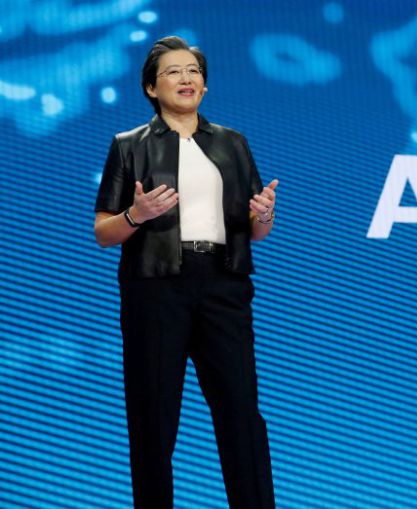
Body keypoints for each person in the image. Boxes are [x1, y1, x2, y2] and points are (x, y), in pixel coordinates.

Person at [93, 36, 276, 508]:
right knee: (154, 417)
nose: (186, 78)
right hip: (156, 288)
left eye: (194, 71)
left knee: (241, 413)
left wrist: (264, 214)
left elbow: (256, 231)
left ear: (205, 86)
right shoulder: (128, 146)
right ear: (151, 87)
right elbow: (104, 233)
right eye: (173, 71)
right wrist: (136, 215)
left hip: (223, 284)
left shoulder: (233, 143)